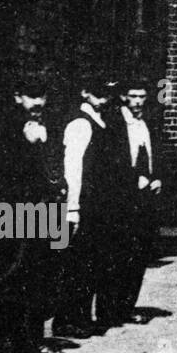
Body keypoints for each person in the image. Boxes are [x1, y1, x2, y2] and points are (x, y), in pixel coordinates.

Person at [0, 80, 67, 353]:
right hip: (11, 213)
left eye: (41, 96)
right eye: (31, 96)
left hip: (42, 211)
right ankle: (3, 341)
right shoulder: (3, 127)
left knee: (39, 275)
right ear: (17, 97)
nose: (38, 102)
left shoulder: (46, 124)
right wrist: (24, 146)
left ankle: (32, 338)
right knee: (10, 275)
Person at [54, 79, 127, 338]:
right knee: (78, 265)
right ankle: (67, 320)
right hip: (84, 207)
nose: (104, 99)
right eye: (98, 94)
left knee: (92, 265)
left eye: (107, 94)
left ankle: (82, 316)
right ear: (85, 93)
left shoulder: (101, 121)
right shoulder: (80, 123)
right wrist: (72, 208)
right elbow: (72, 168)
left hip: (99, 208)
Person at [100, 79, 162, 326]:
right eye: (133, 96)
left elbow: (157, 156)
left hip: (145, 199)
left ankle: (126, 307)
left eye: (142, 97)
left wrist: (158, 178)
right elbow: (110, 163)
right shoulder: (113, 124)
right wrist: (132, 180)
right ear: (124, 97)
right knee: (117, 256)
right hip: (121, 200)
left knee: (138, 255)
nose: (138, 101)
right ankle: (109, 311)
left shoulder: (148, 123)